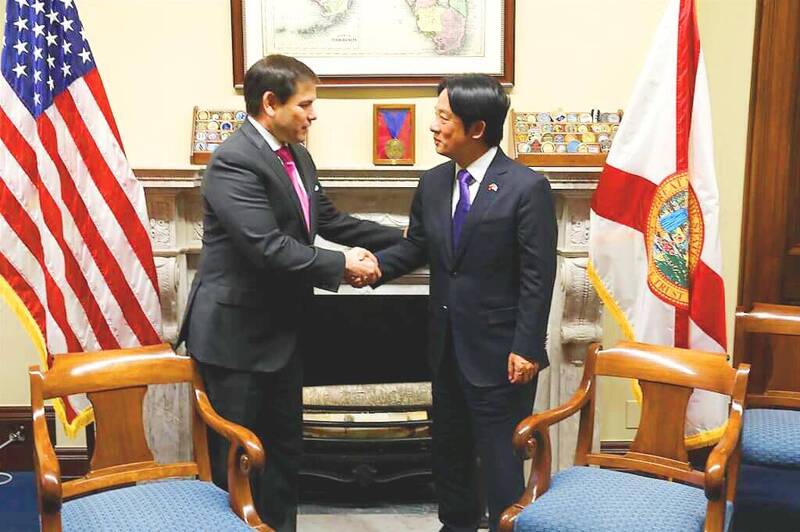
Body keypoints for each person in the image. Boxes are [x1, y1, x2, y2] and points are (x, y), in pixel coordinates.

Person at [177, 54, 402, 531]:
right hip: (235, 340)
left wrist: (412, 241)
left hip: (282, 336)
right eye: (306, 104)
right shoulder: (233, 162)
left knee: (283, 456)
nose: (314, 114)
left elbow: (331, 220)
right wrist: (343, 266)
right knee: (238, 462)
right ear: (270, 102)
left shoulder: (295, 153)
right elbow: (267, 247)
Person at [365, 74, 557, 532]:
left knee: (499, 460)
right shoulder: (432, 182)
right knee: (448, 454)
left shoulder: (526, 187)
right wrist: (368, 268)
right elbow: (416, 249)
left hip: (501, 353)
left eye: (443, 118)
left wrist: (527, 346)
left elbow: (538, 275)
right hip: (446, 348)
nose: (433, 126)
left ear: (476, 128)